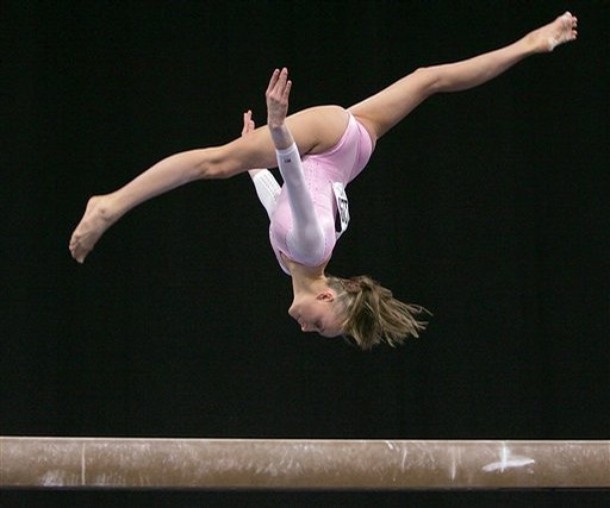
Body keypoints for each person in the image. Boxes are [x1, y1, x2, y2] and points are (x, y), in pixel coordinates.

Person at [69, 12, 578, 349]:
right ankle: (110, 205)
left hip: (351, 151)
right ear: (328, 297)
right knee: (212, 163)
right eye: (319, 325)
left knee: (428, 79)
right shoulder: (311, 251)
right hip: (327, 145)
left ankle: (529, 43)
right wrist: (275, 131)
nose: (309, 329)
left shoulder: (295, 257)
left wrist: (254, 166)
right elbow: (291, 176)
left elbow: (280, 200)